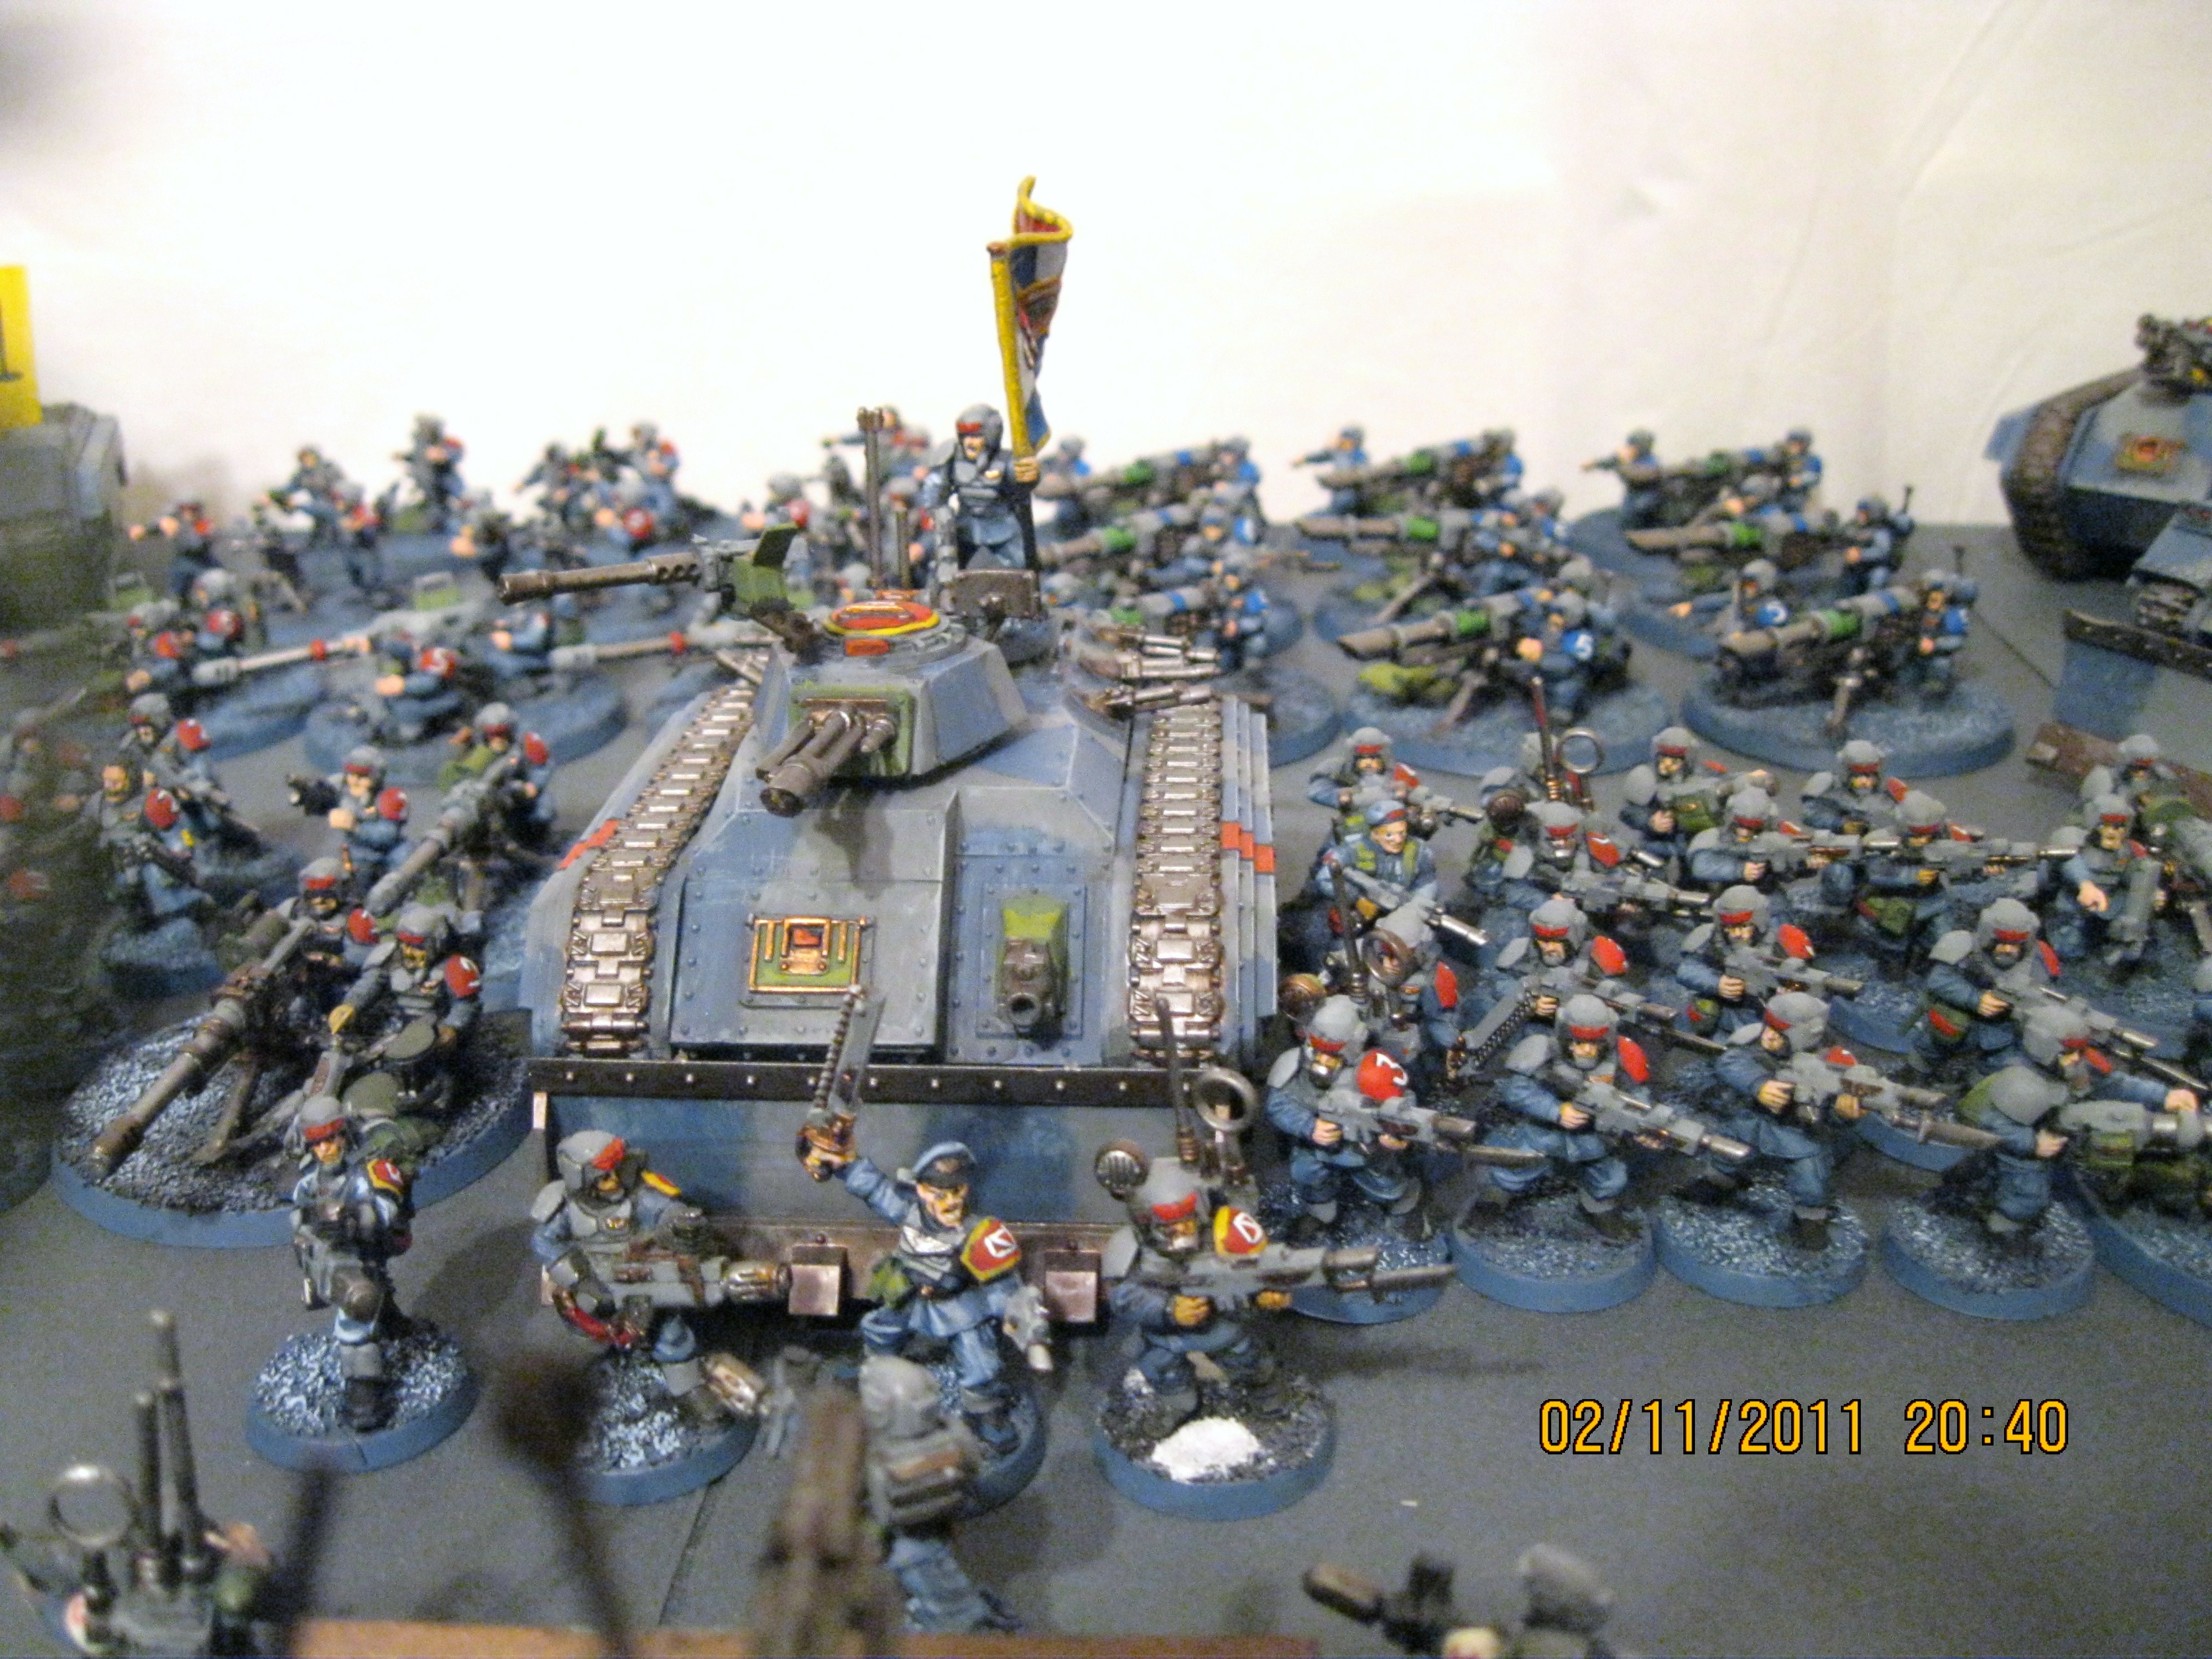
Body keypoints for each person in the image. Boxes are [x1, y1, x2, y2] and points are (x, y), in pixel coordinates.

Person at [797, 1130, 1035, 1454]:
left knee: (980, 1363)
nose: (951, 1202)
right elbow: (876, 1189)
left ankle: (987, 1416)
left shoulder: (979, 1234)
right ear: (922, 1190)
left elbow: (1005, 1285)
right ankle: (874, 1375)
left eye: (957, 1191)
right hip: (909, 1293)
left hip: (958, 1305)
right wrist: (847, 1165)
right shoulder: (909, 1212)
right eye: (939, 1194)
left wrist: (1018, 1312)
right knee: (879, 1330)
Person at [290, 1096, 414, 1431]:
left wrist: (353, 1218)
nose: (325, 1150)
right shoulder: (310, 1182)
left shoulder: (369, 1173)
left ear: (344, 1135)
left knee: (357, 1313)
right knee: (368, 1295)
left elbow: (388, 1211)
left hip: (363, 1250)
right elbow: (298, 1217)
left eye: (331, 1140)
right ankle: (389, 1320)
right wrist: (308, 1238)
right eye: (318, 1143)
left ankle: (364, 1394)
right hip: (332, 1258)